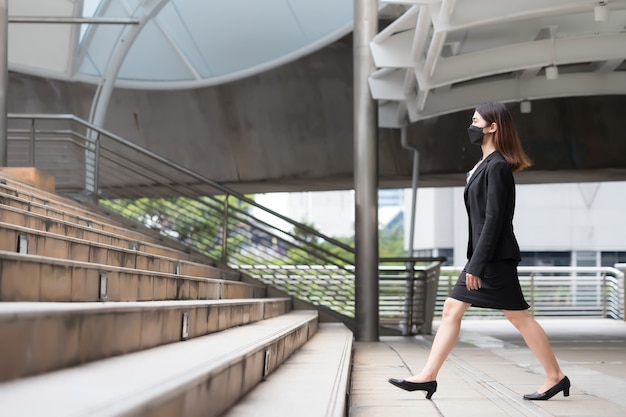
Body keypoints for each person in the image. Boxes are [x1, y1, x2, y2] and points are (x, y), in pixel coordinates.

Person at [388, 102, 570, 401]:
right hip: (490, 257)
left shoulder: (497, 167)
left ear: (492, 126)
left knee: (518, 317)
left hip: (493, 259)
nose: (471, 127)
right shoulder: (485, 165)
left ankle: (555, 376)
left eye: (475, 121)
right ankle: (428, 376)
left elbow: (495, 220)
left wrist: (477, 264)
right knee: (460, 311)